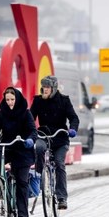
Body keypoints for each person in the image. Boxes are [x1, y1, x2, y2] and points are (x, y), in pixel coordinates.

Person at [0, 87, 37, 217]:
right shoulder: (2, 113)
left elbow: (32, 131)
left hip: (23, 147)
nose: (10, 102)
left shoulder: (26, 113)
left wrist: (30, 140)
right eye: (7, 100)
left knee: (22, 182)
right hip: (6, 145)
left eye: (12, 99)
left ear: (17, 99)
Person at [30, 75, 79, 210]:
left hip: (60, 138)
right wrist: (29, 131)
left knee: (59, 163)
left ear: (54, 88)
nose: (44, 90)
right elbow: (30, 118)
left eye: (47, 87)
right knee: (39, 148)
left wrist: (72, 129)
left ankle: (61, 197)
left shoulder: (64, 101)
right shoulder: (38, 101)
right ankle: (40, 177)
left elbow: (74, 117)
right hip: (43, 135)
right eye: (43, 87)